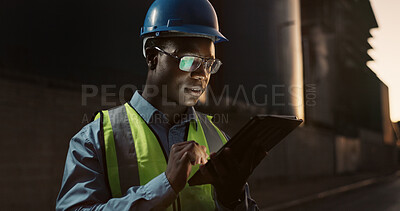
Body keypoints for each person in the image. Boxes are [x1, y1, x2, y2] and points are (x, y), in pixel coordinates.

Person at [56, 0, 267, 210]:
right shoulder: (96, 138)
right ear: (152, 56)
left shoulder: (220, 140)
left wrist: (234, 199)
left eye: (208, 64)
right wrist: (165, 186)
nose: (202, 75)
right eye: (189, 60)